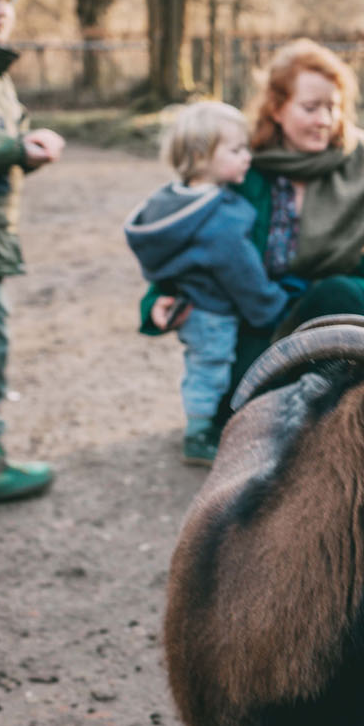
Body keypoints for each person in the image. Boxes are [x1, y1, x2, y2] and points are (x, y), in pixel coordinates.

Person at [139, 40, 364, 425]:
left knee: (338, 293)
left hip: (347, 317)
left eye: (333, 107)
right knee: (236, 421)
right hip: (268, 320)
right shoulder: (241, 164)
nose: (325, 120)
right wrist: (161, 297)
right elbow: (195, 238)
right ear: (276, 108)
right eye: (310, 107)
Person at [124, 101, 302, 465]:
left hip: (192, 306)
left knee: (201, 365)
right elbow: (243, 274)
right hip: (215, 313)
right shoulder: (221, 217)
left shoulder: (170, 203)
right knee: (211, 368)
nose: (247, 157)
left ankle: (200, 423)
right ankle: (199, 434)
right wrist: (271, 304)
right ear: (201, 156)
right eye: (236, 150)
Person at [0, 0, 66, 504]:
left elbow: (5, 137)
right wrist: (14, 146)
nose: (2, 10)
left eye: (7, 0)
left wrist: (28, 147)